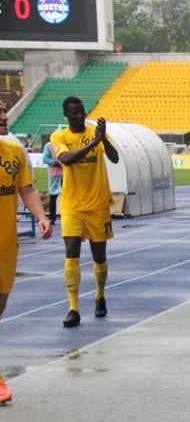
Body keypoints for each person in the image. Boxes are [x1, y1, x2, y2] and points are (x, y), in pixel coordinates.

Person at [51, 96, 120, 327]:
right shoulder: (59, 137)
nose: (80, 116)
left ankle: (100, 296)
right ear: (66, 115)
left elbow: (114, 158)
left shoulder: (96, 133)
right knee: (71, 251)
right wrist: (93, 144)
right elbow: (66, 159)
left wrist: (103, 139)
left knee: (99, 256)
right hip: (72, 205)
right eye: (74, 112)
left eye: (82, 111)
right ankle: (73, 308)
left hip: (98, 204)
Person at [0, 100, 53, 402]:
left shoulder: (14, 152)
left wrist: (41, 217)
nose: (4, 116)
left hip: (7, 246)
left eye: (4, 110)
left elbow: (26, 189)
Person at [42, 135, 62, 224]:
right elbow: (45, 159)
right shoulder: (49, 145)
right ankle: (52, 217)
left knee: (69, 196)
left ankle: (69, 216)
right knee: (53, 197)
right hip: (54, 174)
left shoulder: (64, 144)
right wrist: (54, 162)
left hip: (67, 174)